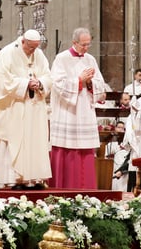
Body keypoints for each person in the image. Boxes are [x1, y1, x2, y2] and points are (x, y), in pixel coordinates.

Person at [0, 29, 52, 189]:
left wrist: (40, 83)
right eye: (30, 47)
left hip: (34, 106)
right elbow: (3, 79)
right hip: (13, 106)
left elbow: (47, 75)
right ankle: (13, 179)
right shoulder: (7, 53)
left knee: (35, 140)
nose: (33, 51)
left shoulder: (38, 54)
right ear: (23, 41)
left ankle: (34, 180)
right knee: (14, 139)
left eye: (36, 47)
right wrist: (25, 84)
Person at [48, 27, 107, 188]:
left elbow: (101, 85)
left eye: (88, 44)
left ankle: (87, 188)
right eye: (83, 45)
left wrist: (90, 83)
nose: (86, 48)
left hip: (85, 111)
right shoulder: (62, 59)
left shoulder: (90, 59)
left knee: (85, 150)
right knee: (66, 149)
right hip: (68, 111)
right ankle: (63, 186)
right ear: (74, 42)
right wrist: (79, 80)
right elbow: (57, 85)